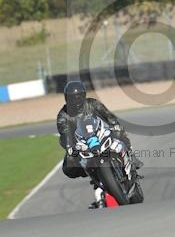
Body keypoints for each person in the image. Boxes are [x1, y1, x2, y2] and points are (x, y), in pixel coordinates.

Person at [56, 80, 142, 208]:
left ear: (84, 96)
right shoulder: (63, 115)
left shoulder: (93, 104)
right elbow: (65, 134)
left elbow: (109, 116)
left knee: (120, 133)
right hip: (81, 143)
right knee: (67, 167)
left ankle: (131, 156)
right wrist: (70, 146)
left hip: (102, 133)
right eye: (72, 98)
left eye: (79, 96)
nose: (76, 100)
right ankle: (93, 175)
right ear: (66, 98)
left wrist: (115, 125)